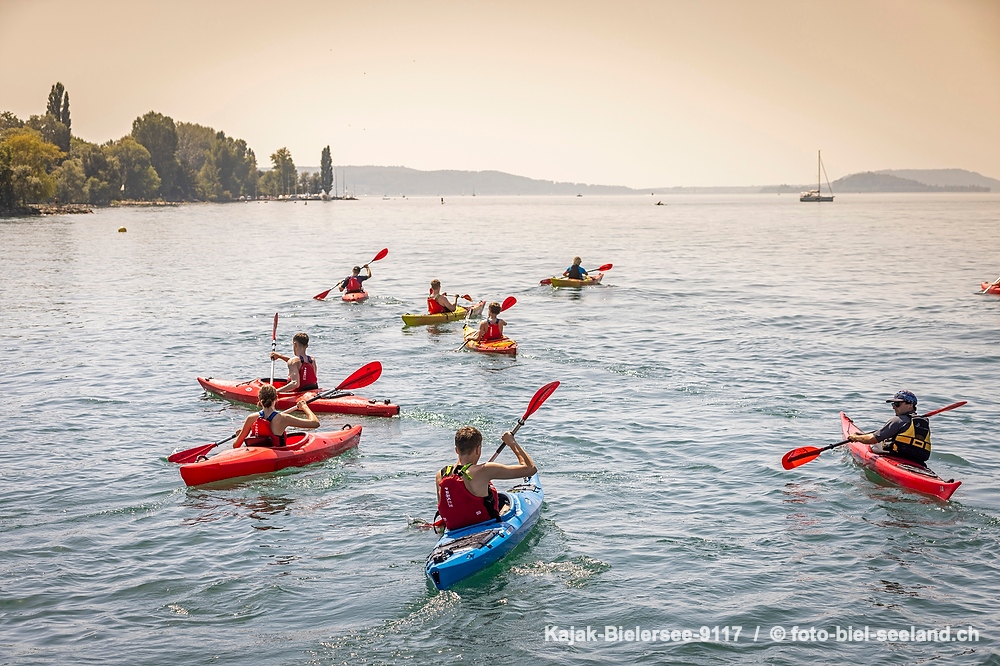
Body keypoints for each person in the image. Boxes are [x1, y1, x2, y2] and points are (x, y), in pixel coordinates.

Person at [436, 426, 537, 530]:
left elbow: (446, 507)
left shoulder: (441, 474)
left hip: (454, 530)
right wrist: (512, 443)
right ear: (478, 449)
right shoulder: (484, 470)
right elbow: (530, 469)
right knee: (504, 503)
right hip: (483, 526)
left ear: (456, 450)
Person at [846, 390, 931, 464]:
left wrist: (856, 438)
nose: (894, 407)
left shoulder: (898, 420)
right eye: (893, 404)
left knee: (875, 444)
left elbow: (872, 439)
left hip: (897, 456)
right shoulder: (923, 422)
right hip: (917, 461)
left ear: (910, 405)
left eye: (897, 404)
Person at [233, 384, 320, 448]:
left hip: (257, 453)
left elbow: (236, 445)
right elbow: (315, 424)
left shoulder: (251, 418)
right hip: (275, 455)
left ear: (259, 399)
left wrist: (239, 435)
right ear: (276, 398)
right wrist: (305, 407)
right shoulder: (283, 418)